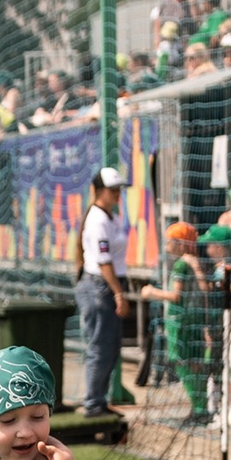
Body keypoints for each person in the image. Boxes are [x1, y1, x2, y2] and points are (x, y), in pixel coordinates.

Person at [137, 222, 216, 425]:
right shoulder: (193, 262)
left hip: (181, 323)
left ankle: (199, 409)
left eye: (170, 242)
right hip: (193, 321)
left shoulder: (182, 264)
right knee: (194, 365)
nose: (166, 246)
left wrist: (151, 292)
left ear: (181, 243)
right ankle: (200, 408)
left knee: (185, 365)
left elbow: (176, 295)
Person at [77, 168, 128, 417]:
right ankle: (93, 403)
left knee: (109, 346)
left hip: (106, 284)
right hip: (100, 285)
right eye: (112, 190)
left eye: (119, 190)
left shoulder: (110, 216)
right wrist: (119, 293)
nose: (117, 194)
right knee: (99, 345)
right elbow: (103, 262)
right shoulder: (97, 219)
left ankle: (99, 398)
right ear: (99, 191)